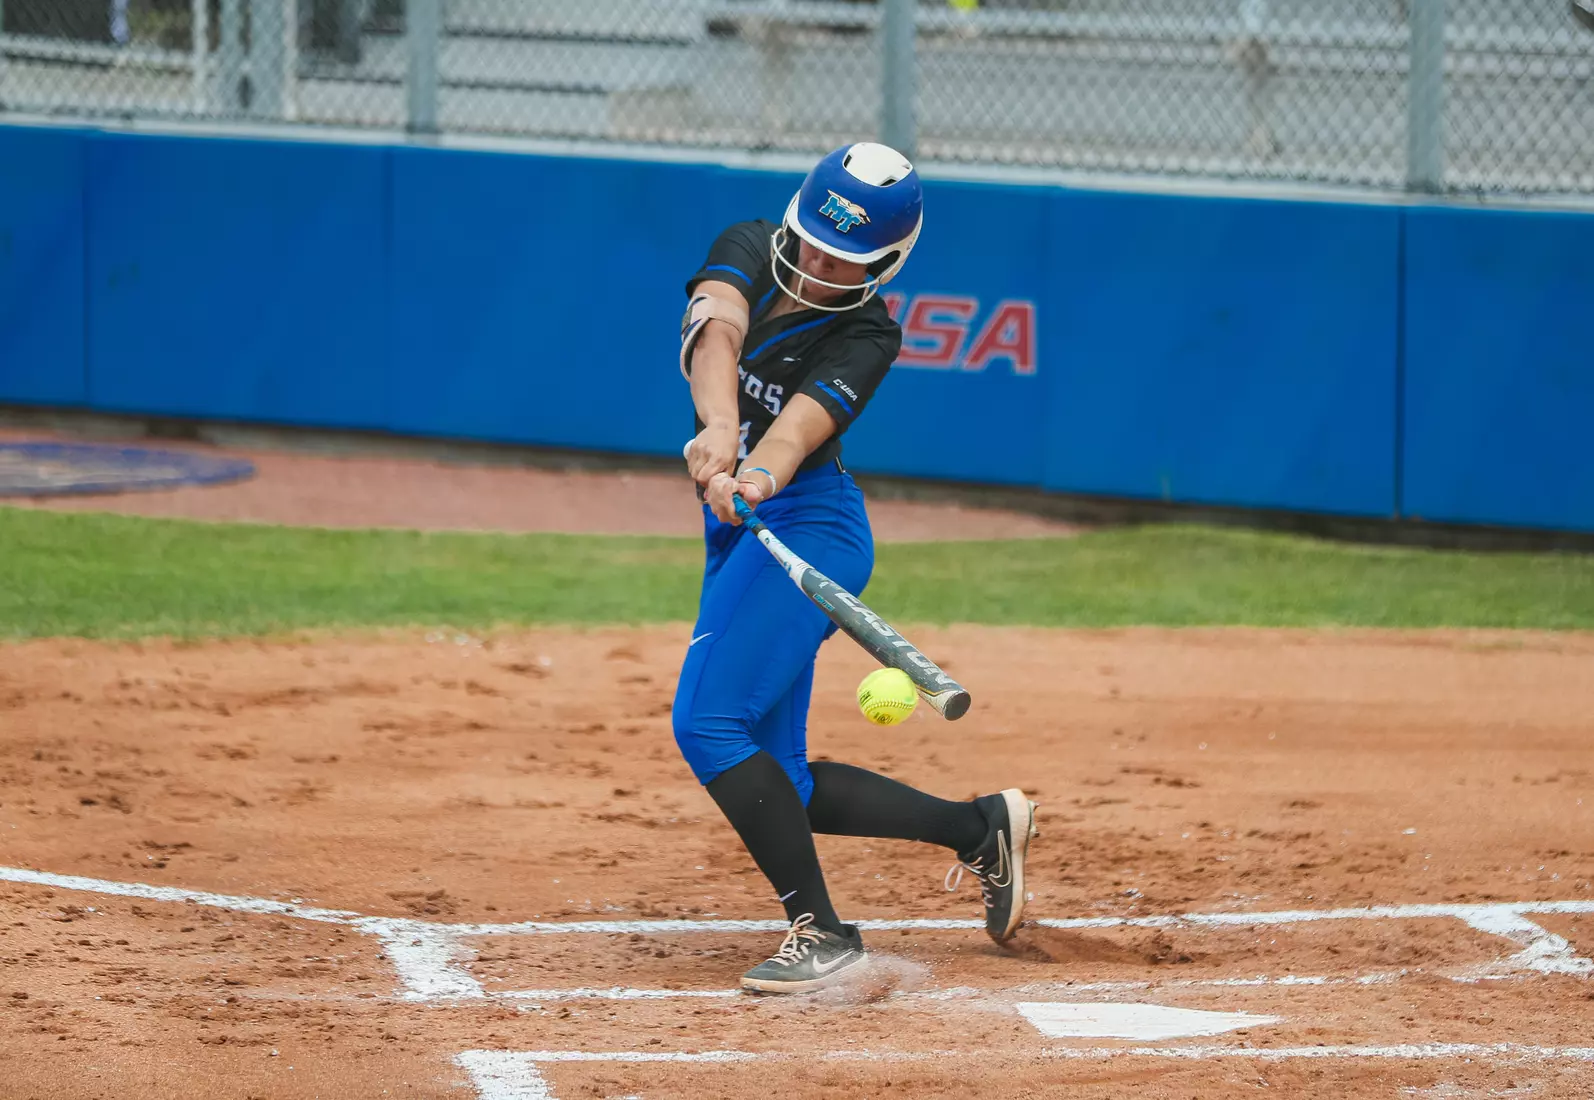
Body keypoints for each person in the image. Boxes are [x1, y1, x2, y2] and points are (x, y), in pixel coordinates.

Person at [672, 141, 1039, 994]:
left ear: (886, 264)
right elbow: (716, 328)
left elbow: (799, 431)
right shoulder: (748, 246)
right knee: (779, 781)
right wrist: (719, 429)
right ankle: (979, 829)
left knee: (707, 724)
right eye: (815, 243)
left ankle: (824, 934)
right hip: (741, 529)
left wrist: (755, 468)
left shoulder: (870, 331)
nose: (820, 268)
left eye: (847, 260)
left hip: (809, 526)